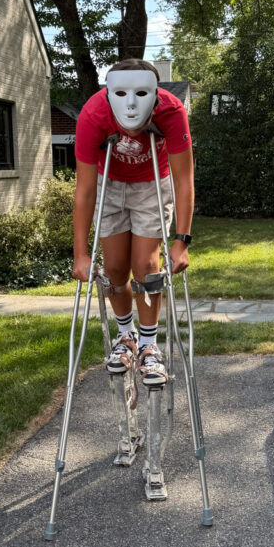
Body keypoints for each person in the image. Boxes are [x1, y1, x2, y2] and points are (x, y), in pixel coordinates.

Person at [72, 58, 194, 386]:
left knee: (146, 265)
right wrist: (80, 253)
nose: (130, 104)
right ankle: (126, 336)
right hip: (108, 182)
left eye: (141, 94)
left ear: (155, 96)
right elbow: (84, 190)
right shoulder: (93, 115)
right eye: (121, 94)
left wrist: (181, 241)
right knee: (113, 270)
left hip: (152, 183)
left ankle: (148, 345)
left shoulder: (171, 110)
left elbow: (184, 179)